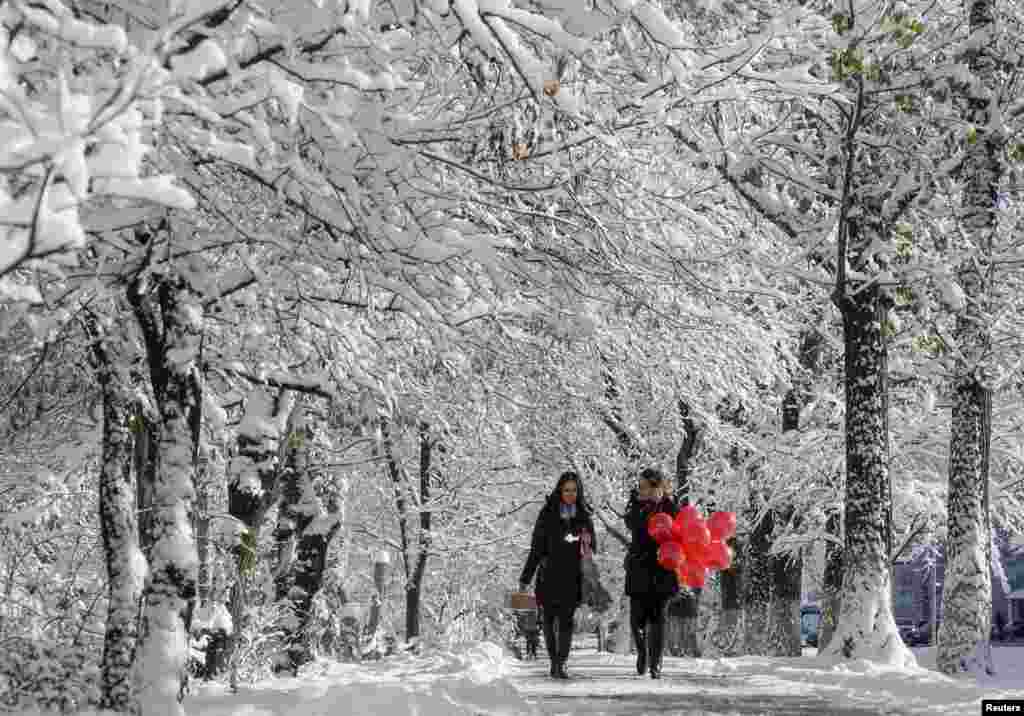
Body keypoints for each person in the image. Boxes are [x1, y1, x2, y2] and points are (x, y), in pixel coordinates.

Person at [519, 470, 597, 679]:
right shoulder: (547, 513)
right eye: (566, 490)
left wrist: (585, 541)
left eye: (574, 490)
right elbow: (536, 547)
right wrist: (526, 577)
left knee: (566, 621)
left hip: (572, 576)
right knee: (548, 619)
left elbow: (592, 548)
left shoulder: (583, 514)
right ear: (560, 490)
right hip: (549, 574)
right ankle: (554, 661)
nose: (570, 494)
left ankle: (561, 662)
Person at [624, 467, 678, 679]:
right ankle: (642, 652)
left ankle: (656, 664)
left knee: (658, 619)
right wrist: (645, 507)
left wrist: (662, 503)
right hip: (638, 568)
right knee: (636, 619)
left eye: (646, 486)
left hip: (663, 568)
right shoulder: (635, 505)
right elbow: (632, 523)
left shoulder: (670, 505)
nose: (641, 490)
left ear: (657, 487)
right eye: (640, 486)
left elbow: (679, 525)